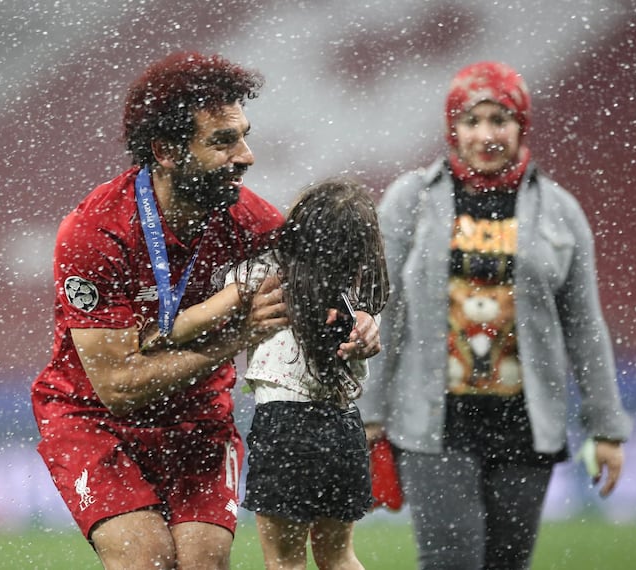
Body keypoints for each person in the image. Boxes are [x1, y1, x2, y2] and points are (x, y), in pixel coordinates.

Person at [30, 52, 380, 570]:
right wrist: (236, 338)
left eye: (243, 135)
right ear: (167, 151)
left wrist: (357, 326)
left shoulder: (255, 223)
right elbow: (120, 388)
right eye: (223, 141)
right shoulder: (95, 234)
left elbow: (318, 296)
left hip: (199, 419)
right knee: (145, 560)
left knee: (202, 564)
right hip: (94, 420)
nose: (247, 155)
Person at [357, 61, 633, 570]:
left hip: (526, 425)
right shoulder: (409, 201)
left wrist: (607, 429)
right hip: (431, 423)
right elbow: (382, 311)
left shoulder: (561, 211)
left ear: (521, 125)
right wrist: (370, 416)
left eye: (500, 119)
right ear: (452, 129)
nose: (487, 134)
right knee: (451, 562)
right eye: (472, 120)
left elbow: (585, 327)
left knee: (507, 564)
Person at [155, 178, 389, 569]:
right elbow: (369, 327)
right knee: (339, 556)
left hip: (286, 427)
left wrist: (163, 329)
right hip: (345, 428)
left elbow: (196, 316)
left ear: (299, 226)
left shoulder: (262, 273)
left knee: (285, 562)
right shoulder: (358, 298)